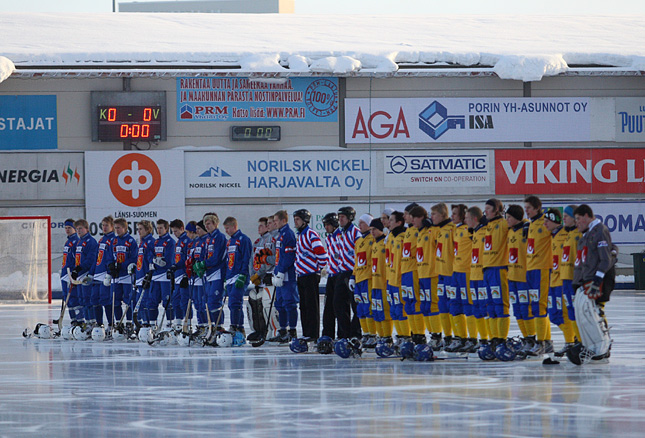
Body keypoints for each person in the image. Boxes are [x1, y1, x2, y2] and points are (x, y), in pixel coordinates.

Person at [570, 204, 615, 363]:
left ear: (587, 215)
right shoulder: (587, 234)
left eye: (578, 219)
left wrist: (597, 278)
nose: (577, 223)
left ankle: (604, 346)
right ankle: (595, 344)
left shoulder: (600, 231)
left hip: (598, 279)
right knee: (588, 312)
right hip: (588, 279)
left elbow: (605, 258)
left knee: (596, 311)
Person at [543, 208, 577, 356]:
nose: (544, 224)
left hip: (562, 280)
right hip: (553, 279)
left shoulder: (565, 234)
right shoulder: (552, 235)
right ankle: (572, 340)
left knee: (565, 313)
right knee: (554, 314)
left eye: (547, 221)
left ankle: (571, 342)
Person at [524, 195, 553, 355]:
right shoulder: (531, 224)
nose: (526, 211)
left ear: (536, 208)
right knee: (534, 306)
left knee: (539, 305)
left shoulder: (545, 222)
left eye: (528, 208)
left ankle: (541, 342)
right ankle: (546, 341)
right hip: (531, 269)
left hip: (542, 269)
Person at [481, 198, 510, 358]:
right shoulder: (488, 225)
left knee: (500, 305)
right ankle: (493, 338)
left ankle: (501, 339)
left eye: (488, 209)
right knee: (489, 307)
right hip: (487, 270)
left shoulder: (503, 224)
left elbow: (517, 223)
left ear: (497, 210)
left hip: (499, 269)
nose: (485, 212)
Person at [294, 209, 327, 341]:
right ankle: (306, 332)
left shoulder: (311, 234)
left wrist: (318, 268)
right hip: (301, 275)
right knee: (303, 306)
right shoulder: (300, 235)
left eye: (297, 219)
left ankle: (313, 334)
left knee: (311, 305)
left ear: (304, 220)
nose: (295, 222)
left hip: (310, 274)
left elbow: (322, 255)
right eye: (294, 219)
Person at [505, 205, 535, 347]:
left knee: (526, 309)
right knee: (517, 310)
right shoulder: (510, 231)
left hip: (524, 277)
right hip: (512, 276)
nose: (507, 220)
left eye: (509, 217)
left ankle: (533, 337)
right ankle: (526, 338)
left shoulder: (527, 229)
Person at [432, 203, 458, 350]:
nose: (432, 217)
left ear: (443, 215)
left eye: (434, 214)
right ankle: (447, 337)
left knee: (452, 306)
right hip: (440, 273)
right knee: (442, 306)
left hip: (450, 273)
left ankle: (458, 336)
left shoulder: (452, 229)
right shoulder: (439, 230)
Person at [451, 204, 478, 352]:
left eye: (455, 214)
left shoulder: (469, 231)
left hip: (467, 272)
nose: (452, 216)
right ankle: (460, 337)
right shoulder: (455, 230)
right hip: (455, 271)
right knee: (455, 304)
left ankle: (473, 339)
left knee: (469, 305)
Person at [269, 210, 299, 342]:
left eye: (276, 220)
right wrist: (276, 272)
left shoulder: (288, 234)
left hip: (288, 275)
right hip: (279, 274)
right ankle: (282, 330)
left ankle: (292, 331)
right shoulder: (279, 235)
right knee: (279, 304)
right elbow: (279, 256)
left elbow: (289, 256)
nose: (274, 223)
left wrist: (281, 271)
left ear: (283, 221)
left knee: (290, 303)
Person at [410, 206, 437, 346]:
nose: (412, 220)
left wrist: (432, 225)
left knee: (433, 305)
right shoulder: (419, 232)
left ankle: (438, 336)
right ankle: (431, 335)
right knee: (425, 305)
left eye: (414, 217)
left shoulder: (431, 231)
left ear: (421, 217)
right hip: (422, 274)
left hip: (432, 273)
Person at [223, 216, 252, 346]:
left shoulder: (243, 240)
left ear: (234, 226)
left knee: (235, 301)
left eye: (228, 228)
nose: (226, 231)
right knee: (232, 304)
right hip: (230, 276)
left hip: (239, 276)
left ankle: (236, 327)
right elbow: (227, 260)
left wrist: (244, 274)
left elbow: (247, 258)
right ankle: (237, 327)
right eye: (225, 229)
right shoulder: (229, 242)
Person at [247, 217, 277, 341]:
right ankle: (257, 329)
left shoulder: (271, 240)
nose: (259, 228)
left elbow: (269, 260)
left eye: (262, 226)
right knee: (254, 301)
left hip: (267, 276)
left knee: (267, 303)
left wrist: (259, 274)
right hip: (258, 279)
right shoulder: (257, 242)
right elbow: (252, 260)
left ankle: (271, 329)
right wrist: (252, 275)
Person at [335, 206, 363, 340]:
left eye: (343, 217)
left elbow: (359, 255)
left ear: (350, 218)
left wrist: (354, 274)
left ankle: (355, 333)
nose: (340, 220)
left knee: (355, 305)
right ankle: (344, 333)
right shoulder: (342, 233)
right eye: (339, 217)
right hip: (341, 273)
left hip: (352, 273)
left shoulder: (356, 233)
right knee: (338, 304)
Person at [465, 207, 489, 353]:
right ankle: (482, 339)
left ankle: (489, 339)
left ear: (474, 218)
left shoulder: (485, 231)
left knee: (485, 308)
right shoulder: (475, 232)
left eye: (467, 218)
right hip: (473, 274)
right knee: (476, 309)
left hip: (481, 275)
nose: (465, 220)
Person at [350, 213, 375, 346]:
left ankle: (372, 334)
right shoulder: (359, 241)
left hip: (368, 278)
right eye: (359, 222)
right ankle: (365, 334)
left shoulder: (373, 240)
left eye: (362, 223)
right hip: (359, 278)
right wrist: (353, 277)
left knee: (368, 307)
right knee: (360, 308)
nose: (359, 225)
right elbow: (356, 262)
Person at [401, 203, 424, 345]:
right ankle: (413, 334)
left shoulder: (418, 231)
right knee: (408, 303)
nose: (404, 217)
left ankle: (420, 335)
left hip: (414, 270)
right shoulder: (407, 231)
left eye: (406, 214)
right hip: (405, 271)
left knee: (416, 303)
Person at [199, 214, 227, 334]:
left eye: (209, 223)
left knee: (214, 301)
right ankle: (213, 326)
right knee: (208, 301)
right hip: (209, 273)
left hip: (217, 273)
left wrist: (204, 264)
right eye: (205, 224)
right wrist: (199, 263)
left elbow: (217, 258)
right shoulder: (208, 238)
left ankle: (219, 326)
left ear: (215, 224)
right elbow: (205, 254)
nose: (207, 226)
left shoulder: (220, 237)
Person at [70, 219, 98, 335]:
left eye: (81, 228)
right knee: (82, 300)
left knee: (88, 299)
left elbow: (91, 259)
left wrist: (80, 268)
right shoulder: (79, 242)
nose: (78, 231)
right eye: (77, 229)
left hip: (86, 274)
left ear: (87, 229)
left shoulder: (91, 241)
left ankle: (93, 322)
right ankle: (87, 321)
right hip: (80, 275)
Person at [109, 218, 138, 327]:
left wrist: (123, 265)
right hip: (116, 275)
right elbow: (109, 255)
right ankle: (118, 322)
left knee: (128, 299)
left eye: (119, 228)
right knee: (115, 299)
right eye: (115, 228)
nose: (117, 230)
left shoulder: (131, 241)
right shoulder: (114, 241)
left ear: (125, 228)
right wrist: (110, 265)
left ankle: (129, 322)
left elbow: (134, 258)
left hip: (126, 275)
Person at [147, 219, 176, 328]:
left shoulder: (170, 242)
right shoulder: (155, 242)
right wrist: (154, 262)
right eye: (157, 228)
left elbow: (168, 261)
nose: (158, 230)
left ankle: (170, 323)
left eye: (161, 228)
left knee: (167, 301)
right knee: (152, 301)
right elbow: (150, 254)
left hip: (165, 276)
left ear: (166, 229)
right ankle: (152, 324)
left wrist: (158, 262)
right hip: (155, 276)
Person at [386, 211, 409, 344]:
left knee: (401, 309)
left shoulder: (403, 236)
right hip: (391, 279)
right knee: (394, 309)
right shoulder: (392, 237)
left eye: (391, 220)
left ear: (399, 222)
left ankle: (406, 336)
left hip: (400, 280)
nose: (389, 223)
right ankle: (400, 336)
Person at [561, 205, 582, 344]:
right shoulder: (568, 234)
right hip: (565, 278)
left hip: (574, 279)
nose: (564, 218)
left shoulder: (579, 235)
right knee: (570, 311)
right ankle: (575, 341)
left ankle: (582, 341)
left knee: (577, 312)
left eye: (566, 216)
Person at [369, 218, 393, 342]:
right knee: (376, 311)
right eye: (371, 230)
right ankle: (381, 335)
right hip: (375, 284)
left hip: (384, 284)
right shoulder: (374, 243)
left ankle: (387, 336)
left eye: (374, 229)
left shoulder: (385, 242)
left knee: (385, 312)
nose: (372, 232)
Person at [91, 216, 115, 329]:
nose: (104, 228)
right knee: (94, 299)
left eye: (106, 225)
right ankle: (99, 323)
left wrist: (109, 273)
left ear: (112, 227)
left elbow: (111, 257)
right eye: (103, 225)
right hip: (97, 274)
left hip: (105, 274)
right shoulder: (101, 240)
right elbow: (96, 258)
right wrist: (91, 273)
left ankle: (111, 324)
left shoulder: (113, 240)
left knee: (106, 300)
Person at [168, 219, 191, 329]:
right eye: (173, 232)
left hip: (184, 274)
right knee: (175, 300)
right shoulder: (178, 242)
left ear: (182, 229)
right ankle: (178, 323)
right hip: (177, 275)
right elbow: (175, 258)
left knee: (184, 300)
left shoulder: (187, 241)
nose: (175, 234)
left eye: (176, 231)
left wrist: (180, 268)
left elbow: (186, 259)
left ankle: (188, 323)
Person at [321, 212, 340, 339]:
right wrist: (326, 267)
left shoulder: (341, 236)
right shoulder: (329, 238)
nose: (326, 228)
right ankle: (328, 334)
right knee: (328, 307)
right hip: (331, 275)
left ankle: (343, 334)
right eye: (324, 225)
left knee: (339, 306)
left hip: (340, 275)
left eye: (328, 225)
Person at [132, 221, 155, 326]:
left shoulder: (150, 242)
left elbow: (151, 260)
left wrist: (149, 273)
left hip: (146, 277)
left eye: (141, 229)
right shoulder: (142, 242)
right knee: (138, 302)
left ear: (148, 229)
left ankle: (147, 323)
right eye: (138, 229)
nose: (139, 231)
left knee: (145, 301)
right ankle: (140, 324)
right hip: (140, 276)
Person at [60, 219, 79, 322]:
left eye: (69, 228)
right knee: (67, 300)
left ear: (75, 229)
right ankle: (73, 321)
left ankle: (79, 321)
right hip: (64, 274)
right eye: (66, 228)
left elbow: (76, 260)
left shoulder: (76, 241)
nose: (67, 230)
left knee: (72, 299)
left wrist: (73, 273)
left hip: (70, 274)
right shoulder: (68, 241)